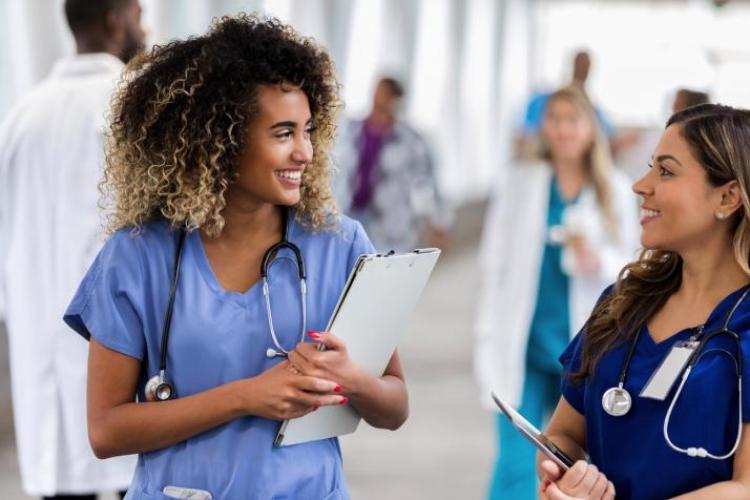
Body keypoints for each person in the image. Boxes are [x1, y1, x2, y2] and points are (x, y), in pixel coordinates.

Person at [62, 15, 408, 500]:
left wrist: (354, 380)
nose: (305, 152)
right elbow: (105, 431)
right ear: (220, 141)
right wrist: (246, 397)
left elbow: (394, 407)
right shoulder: (138, 255)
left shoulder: (340, 243)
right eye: (283, 133)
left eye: (308, 130)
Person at [539, 104, 750, 499]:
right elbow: (564, 433)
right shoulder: (622, 304)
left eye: (666, 171)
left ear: (728, 197)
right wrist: (566, 475)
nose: (640, 185)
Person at [0, 0, 144, 498]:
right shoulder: (131, 104)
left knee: (61, 476)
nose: (142, 27)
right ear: (115, 19)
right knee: (134, 476)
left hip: (38, 337)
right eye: (138, 14)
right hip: (122, 342)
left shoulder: (21, 115)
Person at [475, 86, 639, 500]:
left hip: (581, 350)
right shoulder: (520, 182)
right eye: (554, 119)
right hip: (525, 344)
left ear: (591, 129)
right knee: (514, 463)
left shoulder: (613, 189)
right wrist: (486, 332)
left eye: (573, 120)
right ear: (543, 128)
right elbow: (494, 261)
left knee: (574, 468)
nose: (563, 129)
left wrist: (594, 258)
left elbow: (632, 266)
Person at [334, 77, 451, 252]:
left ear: (394, 100)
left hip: (390, 228)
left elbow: (431, 178)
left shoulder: (409, 139)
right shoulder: (352, 130)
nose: (377, 97)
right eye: (376, 91)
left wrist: (440, 220)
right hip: (351, 218)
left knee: (384, 275)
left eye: (384, 94)